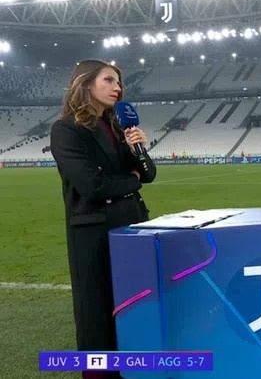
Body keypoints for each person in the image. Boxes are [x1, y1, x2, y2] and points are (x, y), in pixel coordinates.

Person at [50, 60, 157, 379]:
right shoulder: (66, 129)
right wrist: (131, 179)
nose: (118, 88)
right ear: (85, 84)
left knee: (132, 306)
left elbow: (149, 174)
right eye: (109, 80)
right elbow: (92, 185)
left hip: (130, 227)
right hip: (94, 234)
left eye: (119, 82)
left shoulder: (117, 127)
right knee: (97, 314)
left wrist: (138, 149)